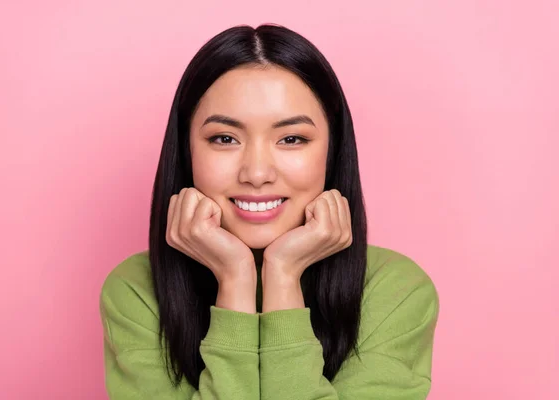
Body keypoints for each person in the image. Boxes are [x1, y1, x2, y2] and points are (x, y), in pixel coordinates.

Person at [99, 23, 439, 399]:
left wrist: (283, 274)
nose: (257, 173)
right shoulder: (136, 291)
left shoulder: (395, 292)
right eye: (224, 138)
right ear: (187, 151)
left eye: (291, 139)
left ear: (331, 151)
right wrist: (235, 278)